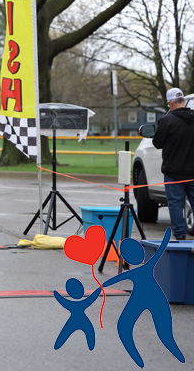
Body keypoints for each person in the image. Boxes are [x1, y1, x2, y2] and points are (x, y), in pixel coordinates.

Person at [103, 229, 185, 368]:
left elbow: (117, 278)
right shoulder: (146, 266)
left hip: (142, 297)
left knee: (124, 326)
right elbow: (160, 251)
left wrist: (103, 285)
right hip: (153, 296)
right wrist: (166, 236)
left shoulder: (140, 269)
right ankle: (173, 356)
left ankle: (141, 360)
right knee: (162, 331)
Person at [152, 87, 194, 241]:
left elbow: (157, 143)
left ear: (170, 103)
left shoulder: (167, 121)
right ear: (183, 101)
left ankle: (180, 236)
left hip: (173, 171)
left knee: (176, 205)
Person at [53, 279, 101, 351]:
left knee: (64, 334)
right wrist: (99, 290)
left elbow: (61, 300)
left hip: (72, 320)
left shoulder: (70, 304)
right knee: (90, 333)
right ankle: (91, 347)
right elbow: (92, 298)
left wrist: (56, 294)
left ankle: (57, 345)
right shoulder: (83, 303)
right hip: (84, 319)